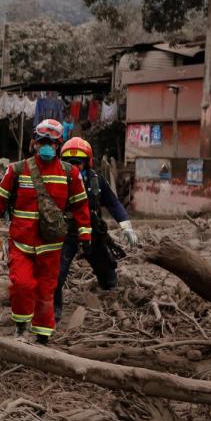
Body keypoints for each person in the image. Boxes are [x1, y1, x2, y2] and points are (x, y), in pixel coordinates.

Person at [0, 119, 92, 345]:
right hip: (21, 244)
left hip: (51, 246)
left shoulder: (70, 174)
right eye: (42, 141)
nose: (47, 146)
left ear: (59, 145)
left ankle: (43, 336)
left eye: (52, 142)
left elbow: (81, 207)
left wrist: (85, 236)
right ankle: (20, 329)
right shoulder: (17, 170)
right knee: (22, 285)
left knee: (46, 291)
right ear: (34, 143)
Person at [54, 137, 139, 322]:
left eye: (78, 163)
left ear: (88, 162)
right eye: (69, 162)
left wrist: (126, 226)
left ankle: (111, 299)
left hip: (92, 234)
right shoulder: (55, 181)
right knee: (57, 274)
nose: (74, 167)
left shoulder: (96, 181)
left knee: (107, 271)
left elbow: (114, 204)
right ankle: (54, 311)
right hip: (65, 235)